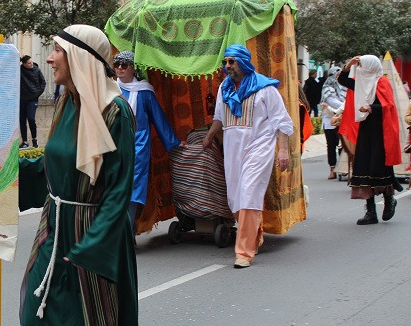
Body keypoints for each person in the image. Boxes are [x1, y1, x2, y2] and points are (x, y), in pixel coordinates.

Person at [19, 24, 144, 326]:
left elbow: (117, 192)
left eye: (56, 50)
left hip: (92, 242)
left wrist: (90, 250)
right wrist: (5, 178)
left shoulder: (116, 111)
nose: (50, 58)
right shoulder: (68, 103)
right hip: (53, 235)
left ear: (79, 58)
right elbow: (51, 167)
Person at [202, 44, 293, 269]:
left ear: (243, 62)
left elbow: (281, 121)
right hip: (233, 149)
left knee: (249, 193)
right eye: (225, 62)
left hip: (259, 146)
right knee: (235, 198)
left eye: (231, 61)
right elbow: (219, 117)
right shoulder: (225, 87)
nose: (227, 66)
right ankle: (254, 234)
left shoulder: (265, 88)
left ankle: (244, 252)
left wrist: (282, 150)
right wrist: (208, 138)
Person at [113, 50, 181, 233]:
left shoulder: (144, 92)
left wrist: (173, 142)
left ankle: (127, 232)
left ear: (133, 68)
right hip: (112, 146)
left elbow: (158, 118)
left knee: (134, 189)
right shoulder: (109, 89)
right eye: (117, 64)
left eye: (124, 64)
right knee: (113, 187)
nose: (120, 68)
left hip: (138, 146)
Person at [338, 55, 401, 225]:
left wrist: (370, 107)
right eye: (358, 66)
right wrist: (349, 64)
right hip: (365, 130)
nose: (359, 68)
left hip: (381, 131)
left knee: (380, 168)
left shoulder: (382, 82)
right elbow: (343, 80)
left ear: (371, 66)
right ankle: (370, 211)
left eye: (362, 65)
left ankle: (389, 200)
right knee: (364, 168)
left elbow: (388, 105)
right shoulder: (360, 83)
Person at [320, 66, 346, 179]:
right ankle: (332, 169)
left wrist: (344, 106)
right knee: (331, 145)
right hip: (329, 120)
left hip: (342, 119)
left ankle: (343, 168)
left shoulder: (345, 86)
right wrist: (345, 106)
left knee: (343, 145)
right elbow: (331, 101)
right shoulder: (327, 88)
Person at [19, 55, 47, 149]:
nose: (31, 64)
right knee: (22, 120)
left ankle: (34, 139)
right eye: (28, 63)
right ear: (24, 64)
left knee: (31, 118)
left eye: (31, 62)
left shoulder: (37, 70)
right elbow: (12, 64)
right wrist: (19, 58)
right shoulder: (20, 69)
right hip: (22, 99)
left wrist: (37, 94)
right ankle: (25, 141)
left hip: (32, 99)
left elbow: (43, 83)